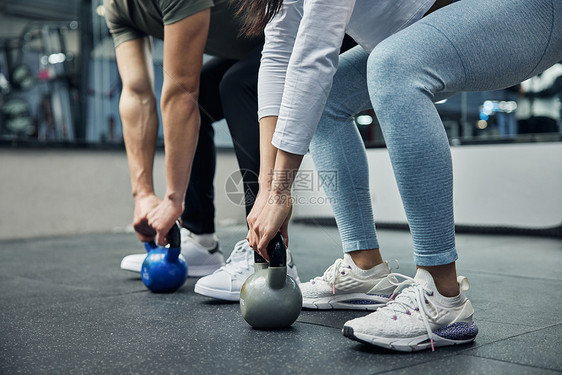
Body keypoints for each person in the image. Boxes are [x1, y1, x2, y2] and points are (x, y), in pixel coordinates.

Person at [241, 0, 562, 351]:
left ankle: (442, 298)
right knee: (330, 96)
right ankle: (365, 270)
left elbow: (314, 55)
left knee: (393, 64)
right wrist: (267, 188)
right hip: (434, 25)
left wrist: (280, 192)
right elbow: (277, 63)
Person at [103, 0, 300, 291]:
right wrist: (142, 194)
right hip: (258, 44)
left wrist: (172, 199)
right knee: (201, 99)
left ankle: (267, 248)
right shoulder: (115, 7)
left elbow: (180, 88)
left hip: (304, 29)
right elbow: (136, 94)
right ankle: (202, 240)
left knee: (236, 85)